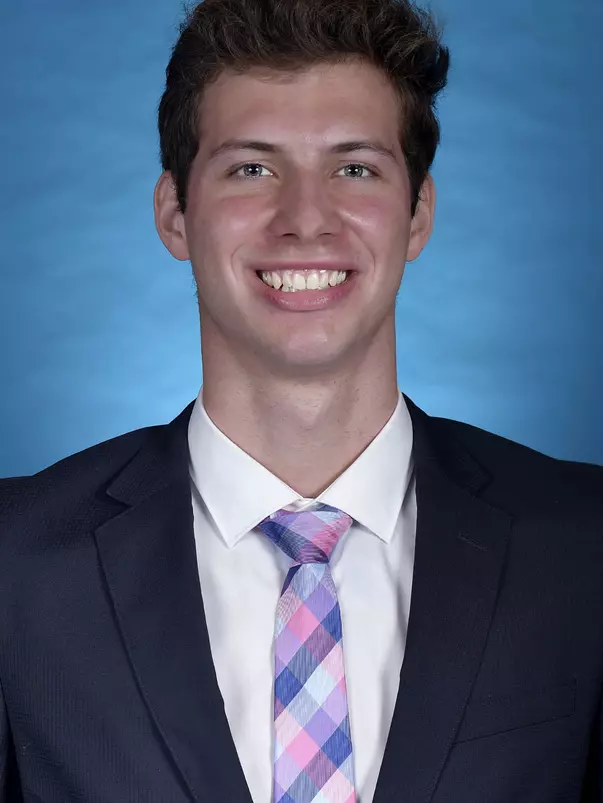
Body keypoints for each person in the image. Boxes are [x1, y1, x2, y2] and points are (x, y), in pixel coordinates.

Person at [1, 0, 602, 800]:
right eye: (252, 168)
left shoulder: (585, 550)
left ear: (417, 213)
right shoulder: (16, 566)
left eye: (354, 168)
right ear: (175, 214)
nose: (306, 219)